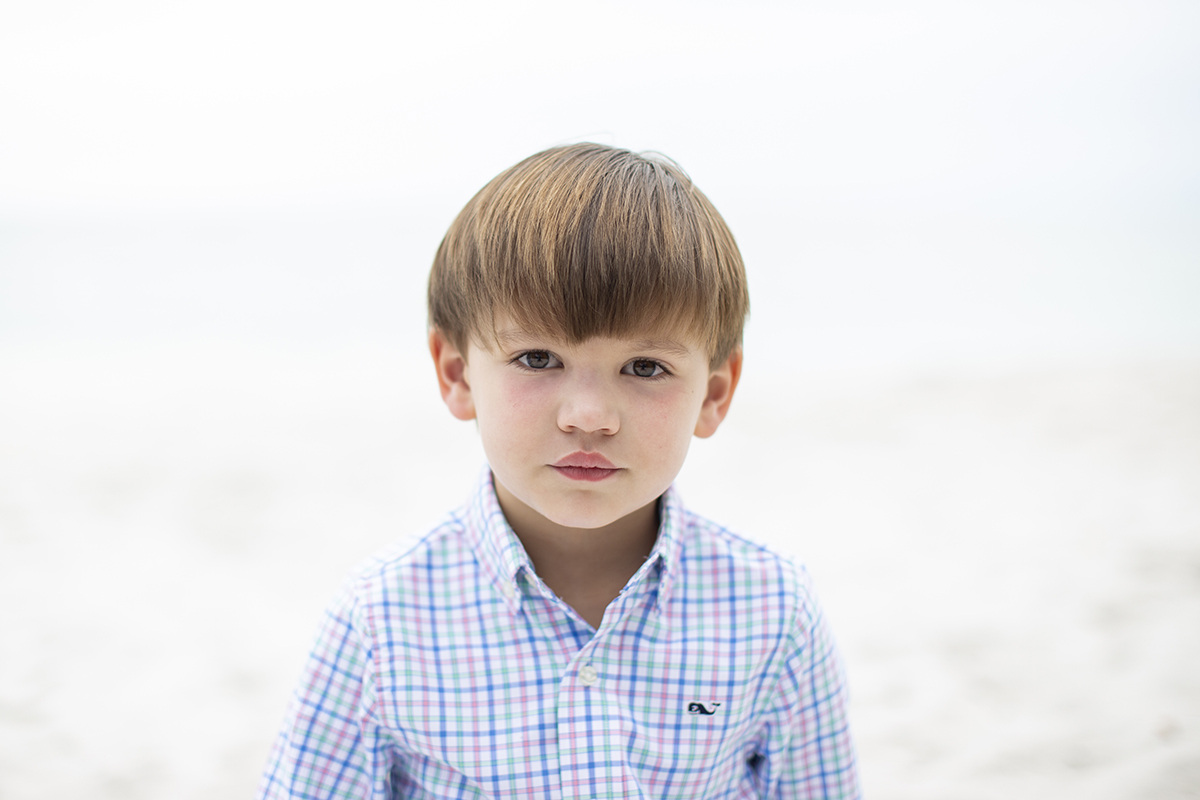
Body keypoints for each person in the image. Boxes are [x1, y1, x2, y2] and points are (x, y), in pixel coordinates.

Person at [257, 143, 859, 798]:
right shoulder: (381, 621)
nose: (590, 416)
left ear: (713, 393)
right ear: (456, 374)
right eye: (539, 359)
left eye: (646, 368)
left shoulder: (771, 611)